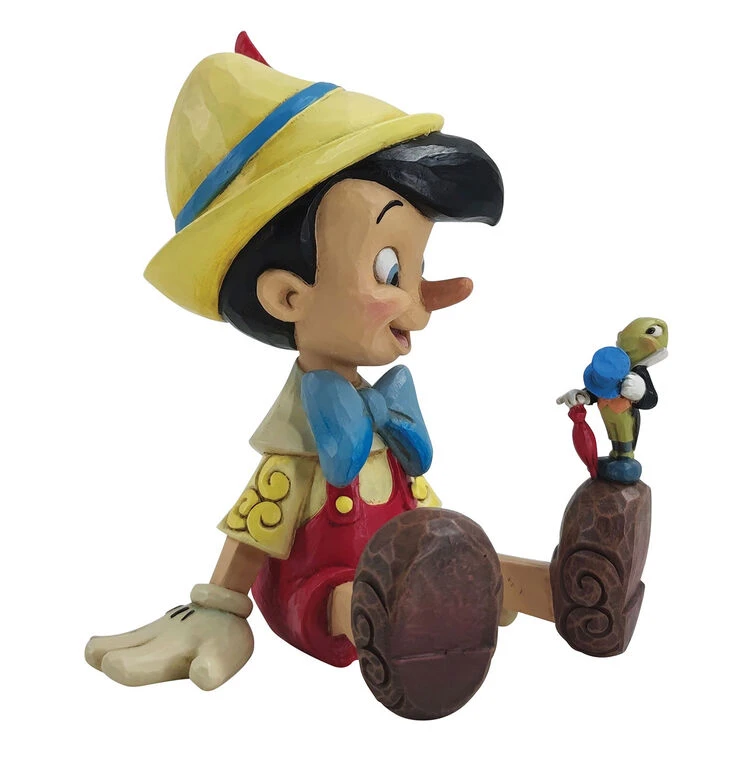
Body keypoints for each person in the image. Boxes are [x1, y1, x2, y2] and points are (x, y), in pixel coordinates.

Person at [85, 37, 507, 720]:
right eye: (391, 270)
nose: (417, 302)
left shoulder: (387, 416)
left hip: (402, 578)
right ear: (288, 295)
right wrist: (220, 609)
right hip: (319, 596)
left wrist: (448, 550)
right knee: (360, 594)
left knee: (460, 558)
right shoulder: (300, 446)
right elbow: (259, 526)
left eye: (417, 269)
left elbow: (420, 503)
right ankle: (408, 616)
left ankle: (543, 591)